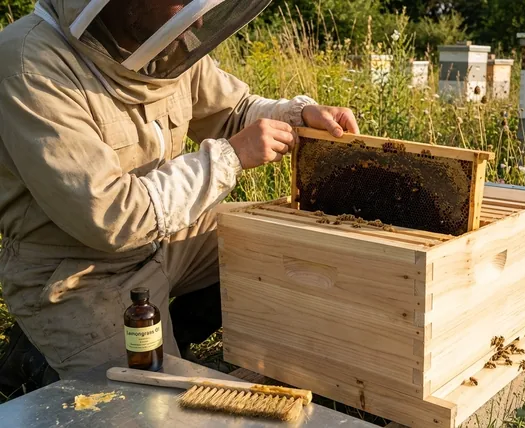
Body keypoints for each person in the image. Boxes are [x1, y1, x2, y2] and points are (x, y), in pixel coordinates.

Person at [0, 0, 360, 396]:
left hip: (165, 239)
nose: (198, 20)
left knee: (277, 245)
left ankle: (171, 339)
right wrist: (230, 156)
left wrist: (296, 117)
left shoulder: (161, 39)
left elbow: (233, 109)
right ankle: (46, 351)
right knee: (153, 407)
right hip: (80, 270)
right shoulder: (26, 63)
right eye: (182, 3)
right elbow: (110, 216)